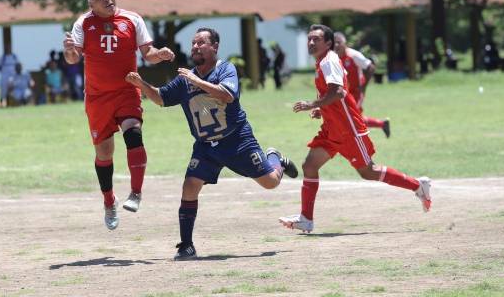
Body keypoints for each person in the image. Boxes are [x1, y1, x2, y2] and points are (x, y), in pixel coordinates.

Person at [126, 27, 298, 260]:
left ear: (214, 47)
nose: (195, 47)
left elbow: (227, 95)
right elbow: (161, 98)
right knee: (189, 186)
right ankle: (186, 246)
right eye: (193, 43)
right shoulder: (185, 79)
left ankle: (276, 158)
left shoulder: (225, 69)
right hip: (206, 146)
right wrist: (141, 84)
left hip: (237, 140)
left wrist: (197, 81)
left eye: (201, 43)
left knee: (270, 183)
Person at [279, 24, 431, 234]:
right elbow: (334, 94)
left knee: (368, 172)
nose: (311, 43)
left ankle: (417, 185)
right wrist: (322, 110)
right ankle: (306, 219)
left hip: (347, 129)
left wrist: (313, 104)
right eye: (309, 39)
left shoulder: (329, 60)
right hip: (332, 128)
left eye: (316, 39)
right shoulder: (323, 61)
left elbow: (339, 92)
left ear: (329, 43)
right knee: (310, 165)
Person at [63, 0, 175, 230]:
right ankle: (109, 200)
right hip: (97, 98)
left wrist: (161, 54)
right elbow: (73, 58)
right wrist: (68, 50)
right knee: (104, 153)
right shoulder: (84, 23)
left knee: (134, 133)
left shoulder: (132, 20)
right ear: (91, 3)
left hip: (127, 89)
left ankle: (136, 193)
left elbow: (148, 53)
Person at [333, 32, 390, 137]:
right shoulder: (333, 57)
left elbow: (371, 68)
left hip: (356, 92)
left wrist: (363, 86)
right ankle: (382, 124)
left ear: (345, 43)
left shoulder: (353, 55)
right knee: (351, 117)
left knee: (351, 117)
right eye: (334, 43)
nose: (336, 45)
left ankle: (358, 140)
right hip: (344, 94)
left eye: (338, 42)